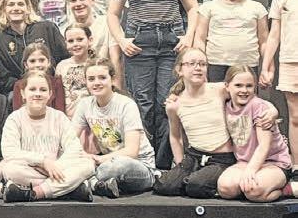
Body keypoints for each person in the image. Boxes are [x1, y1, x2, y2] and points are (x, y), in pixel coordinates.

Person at [107, 0, 198, 170]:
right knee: (143, 104)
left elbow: (193, 8)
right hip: (140, 44)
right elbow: (112, 14)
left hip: (171, 44)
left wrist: (188, 37)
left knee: (167, 103)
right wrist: (122, 40)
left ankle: (164, 164)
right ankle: (145, 163)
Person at [153, 48, 237, 198]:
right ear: (179, 70)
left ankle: (201, 182)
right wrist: (180, 164)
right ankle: (192, 180)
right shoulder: (174, 104)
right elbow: (175, 136)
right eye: (191, 63)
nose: (198, 68)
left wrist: (271, 111)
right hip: (194, 156)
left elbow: (249, 97)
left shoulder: (220, 89)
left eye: (202, 64)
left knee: (196, 186)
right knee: (164, 185)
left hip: (221, 158)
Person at [1, 71, 95, 202]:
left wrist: (56, 167)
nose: (38, 93)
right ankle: (68, 189)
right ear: (23, 93)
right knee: (10, 169)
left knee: (88, 164)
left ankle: (35, 193)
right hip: (31, 169)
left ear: (50, 94)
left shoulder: (59, 117)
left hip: (58, 168)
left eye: (43, 90)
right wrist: (43, 161)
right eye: (32, 89)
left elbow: (74, 148)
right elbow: (10, 152)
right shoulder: (14, 119)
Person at [73, 58, 156, 198]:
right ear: (86, 82)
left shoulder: (126, 104)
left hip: (137, 166)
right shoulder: (84, 104)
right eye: (91, 79)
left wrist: (98, 160)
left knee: (117, 166)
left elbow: (132, 152)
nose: (96, 83)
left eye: (102, 78)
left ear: (112, 79)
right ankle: (101, 185)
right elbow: (69, 138)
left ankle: (88, 183)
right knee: (70, 160)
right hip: (105, 163)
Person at [217, 65, 291, 202]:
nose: (244, 90)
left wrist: (250, 171)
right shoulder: (224, 105)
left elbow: (264, 146)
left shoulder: (260, 107)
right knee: (225, 188)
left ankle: (286, 190)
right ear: (227, 86)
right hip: (244, 162)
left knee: (253, 190)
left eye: (249, 86)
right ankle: (254, 189)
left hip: (273, 163)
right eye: (238, 85)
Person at [194, 0, 268, 82]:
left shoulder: (257, 8)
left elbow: (264, 42)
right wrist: (201, 67)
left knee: (245, 95)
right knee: (216, 95)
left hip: (247, 65)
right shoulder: (207, 8)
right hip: (215, 64)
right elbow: (199, 39)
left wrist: (267, 69)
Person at [261, 0, 298, 175]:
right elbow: (273, 35)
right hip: (290, 62)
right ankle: (297, 164)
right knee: (295, 116)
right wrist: (266, 66)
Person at [0, 0, 68, 95]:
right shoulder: (0, 39)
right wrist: (27, 86)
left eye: (20, 4)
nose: (16, 8)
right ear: (4, 9)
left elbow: (65, 59)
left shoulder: (47, 28)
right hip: (21, 90)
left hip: (52, 85)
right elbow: (4, 78)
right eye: (11, 5)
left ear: (28, 8)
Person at [62, 0, 122, 88]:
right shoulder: (66, 31)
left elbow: (116, 59)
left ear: (92, 0)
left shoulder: (107, 24)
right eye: (73, 0)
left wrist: (117, 89)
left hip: (103, 83)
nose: (78, 4)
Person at [11, 43, 66, 113]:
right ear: (26, 64)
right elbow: (17, 113)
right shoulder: (19, 85)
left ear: (49, 62)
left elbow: (60, 112)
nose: (37, 65)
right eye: (32, 61)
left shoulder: (56, 83)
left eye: (42, 60)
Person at [55, 24, 93, 118]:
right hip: (68, 119)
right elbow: (58, 95)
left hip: (93, 117)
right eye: (71, 41)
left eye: (80, 39)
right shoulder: (61, 66)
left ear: (90, 40)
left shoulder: (98, 64)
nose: (75, 44)